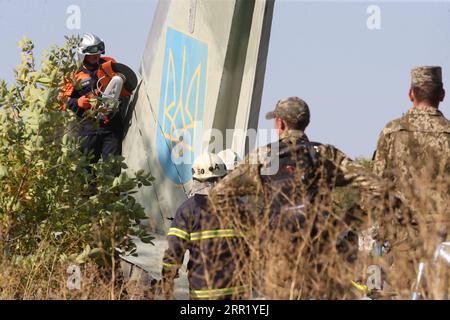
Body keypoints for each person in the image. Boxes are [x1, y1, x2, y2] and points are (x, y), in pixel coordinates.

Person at [209, 96, 383, 299]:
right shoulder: (326, 154)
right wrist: (348, 222)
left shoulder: (264, 156)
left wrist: (254, 230)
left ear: (280, 123)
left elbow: (218, 195)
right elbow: (376, 187)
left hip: (279, 256)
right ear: (306, 123)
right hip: (320, 255)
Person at [372, 66, 450, 298]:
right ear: (442, 95)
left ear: (410, 94)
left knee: (400, 292)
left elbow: (375, 186)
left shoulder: (392, 131)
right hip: (444, 234)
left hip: (404, 231)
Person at [160, 152, 250, 300]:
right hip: (239, 291)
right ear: (223, 177)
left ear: (195, 178)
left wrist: (167, 283)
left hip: (204, 293)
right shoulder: (241, 207)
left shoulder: (187, 210)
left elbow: (174, 252)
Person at [60, 33, 133, 163]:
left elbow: (126, 85)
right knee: (87, 170)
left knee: (112, 168)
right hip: (88, 128)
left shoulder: (108, 64)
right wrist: (78, 102)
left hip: (111, 125)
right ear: (83, 54)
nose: (96, 57)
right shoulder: (73, 75)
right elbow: (63, 101)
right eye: (92, 54)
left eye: (99, 53)